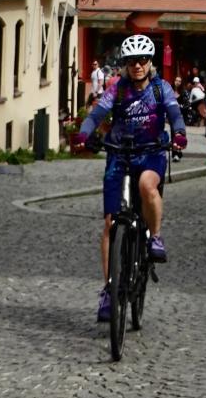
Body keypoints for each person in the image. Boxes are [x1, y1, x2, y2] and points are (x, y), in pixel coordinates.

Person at [73, 34, 186, 324]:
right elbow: (97, 114)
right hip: (119, 154)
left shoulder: (161, 89)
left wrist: (179, 134)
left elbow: (175, 114)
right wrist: (84, 134)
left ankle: (155, 237)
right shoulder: (118, 89)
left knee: (147, 186)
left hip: (150, 153)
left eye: (142, 60)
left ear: (150, 63)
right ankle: (109, 291)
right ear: (125, 64)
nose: (137, 65)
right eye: (132, 61)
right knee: (110, 223)